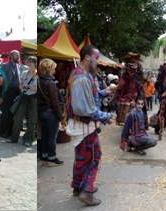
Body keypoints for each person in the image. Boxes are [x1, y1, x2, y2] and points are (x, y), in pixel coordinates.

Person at [65, 45, 114, 206]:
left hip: (82, 126)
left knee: (81, 158)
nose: (98, 61)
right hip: (85, 126)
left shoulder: (80, 75)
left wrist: (102, 92)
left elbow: (87, 99)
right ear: (87, 57)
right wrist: (105, 116)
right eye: (96, 57)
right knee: (94, 157)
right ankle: (86, 190)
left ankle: (77, 187)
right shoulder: (82, 78)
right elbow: (84, 108)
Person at [38, 58, 65, 166]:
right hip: (50, 113)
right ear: (49, 69)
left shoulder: (38, 80)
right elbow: (55, 102)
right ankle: (52, 158)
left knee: (44, 135)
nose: (55, 70)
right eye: (53, 68)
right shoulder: (50, 83)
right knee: (52, 136)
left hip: (41, 112)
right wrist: (61, 116)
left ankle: (44, 157)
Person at [8, 56, 38, 147]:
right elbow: (20, 84)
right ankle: (14, 137)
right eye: (27, 62)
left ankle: (28, 139)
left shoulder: (37, 75)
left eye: (31, 62)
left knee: (31, 120)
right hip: (24, 97)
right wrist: (21, 86)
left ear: (35, 64)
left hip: (34, 98)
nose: (28, 64)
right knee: (18, 118)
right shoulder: (24, 73)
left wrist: (34, 89)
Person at [0, 50, 22, 139]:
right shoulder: (5, 66)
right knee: (5, 111)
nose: (18, 57)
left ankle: (10, 131)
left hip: (16, 91)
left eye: (18, 55)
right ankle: (3, 131)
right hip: (7, 91)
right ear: (11, 55)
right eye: (16, 55)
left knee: (13, 111)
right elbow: (0, 77)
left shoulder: (18, 66)